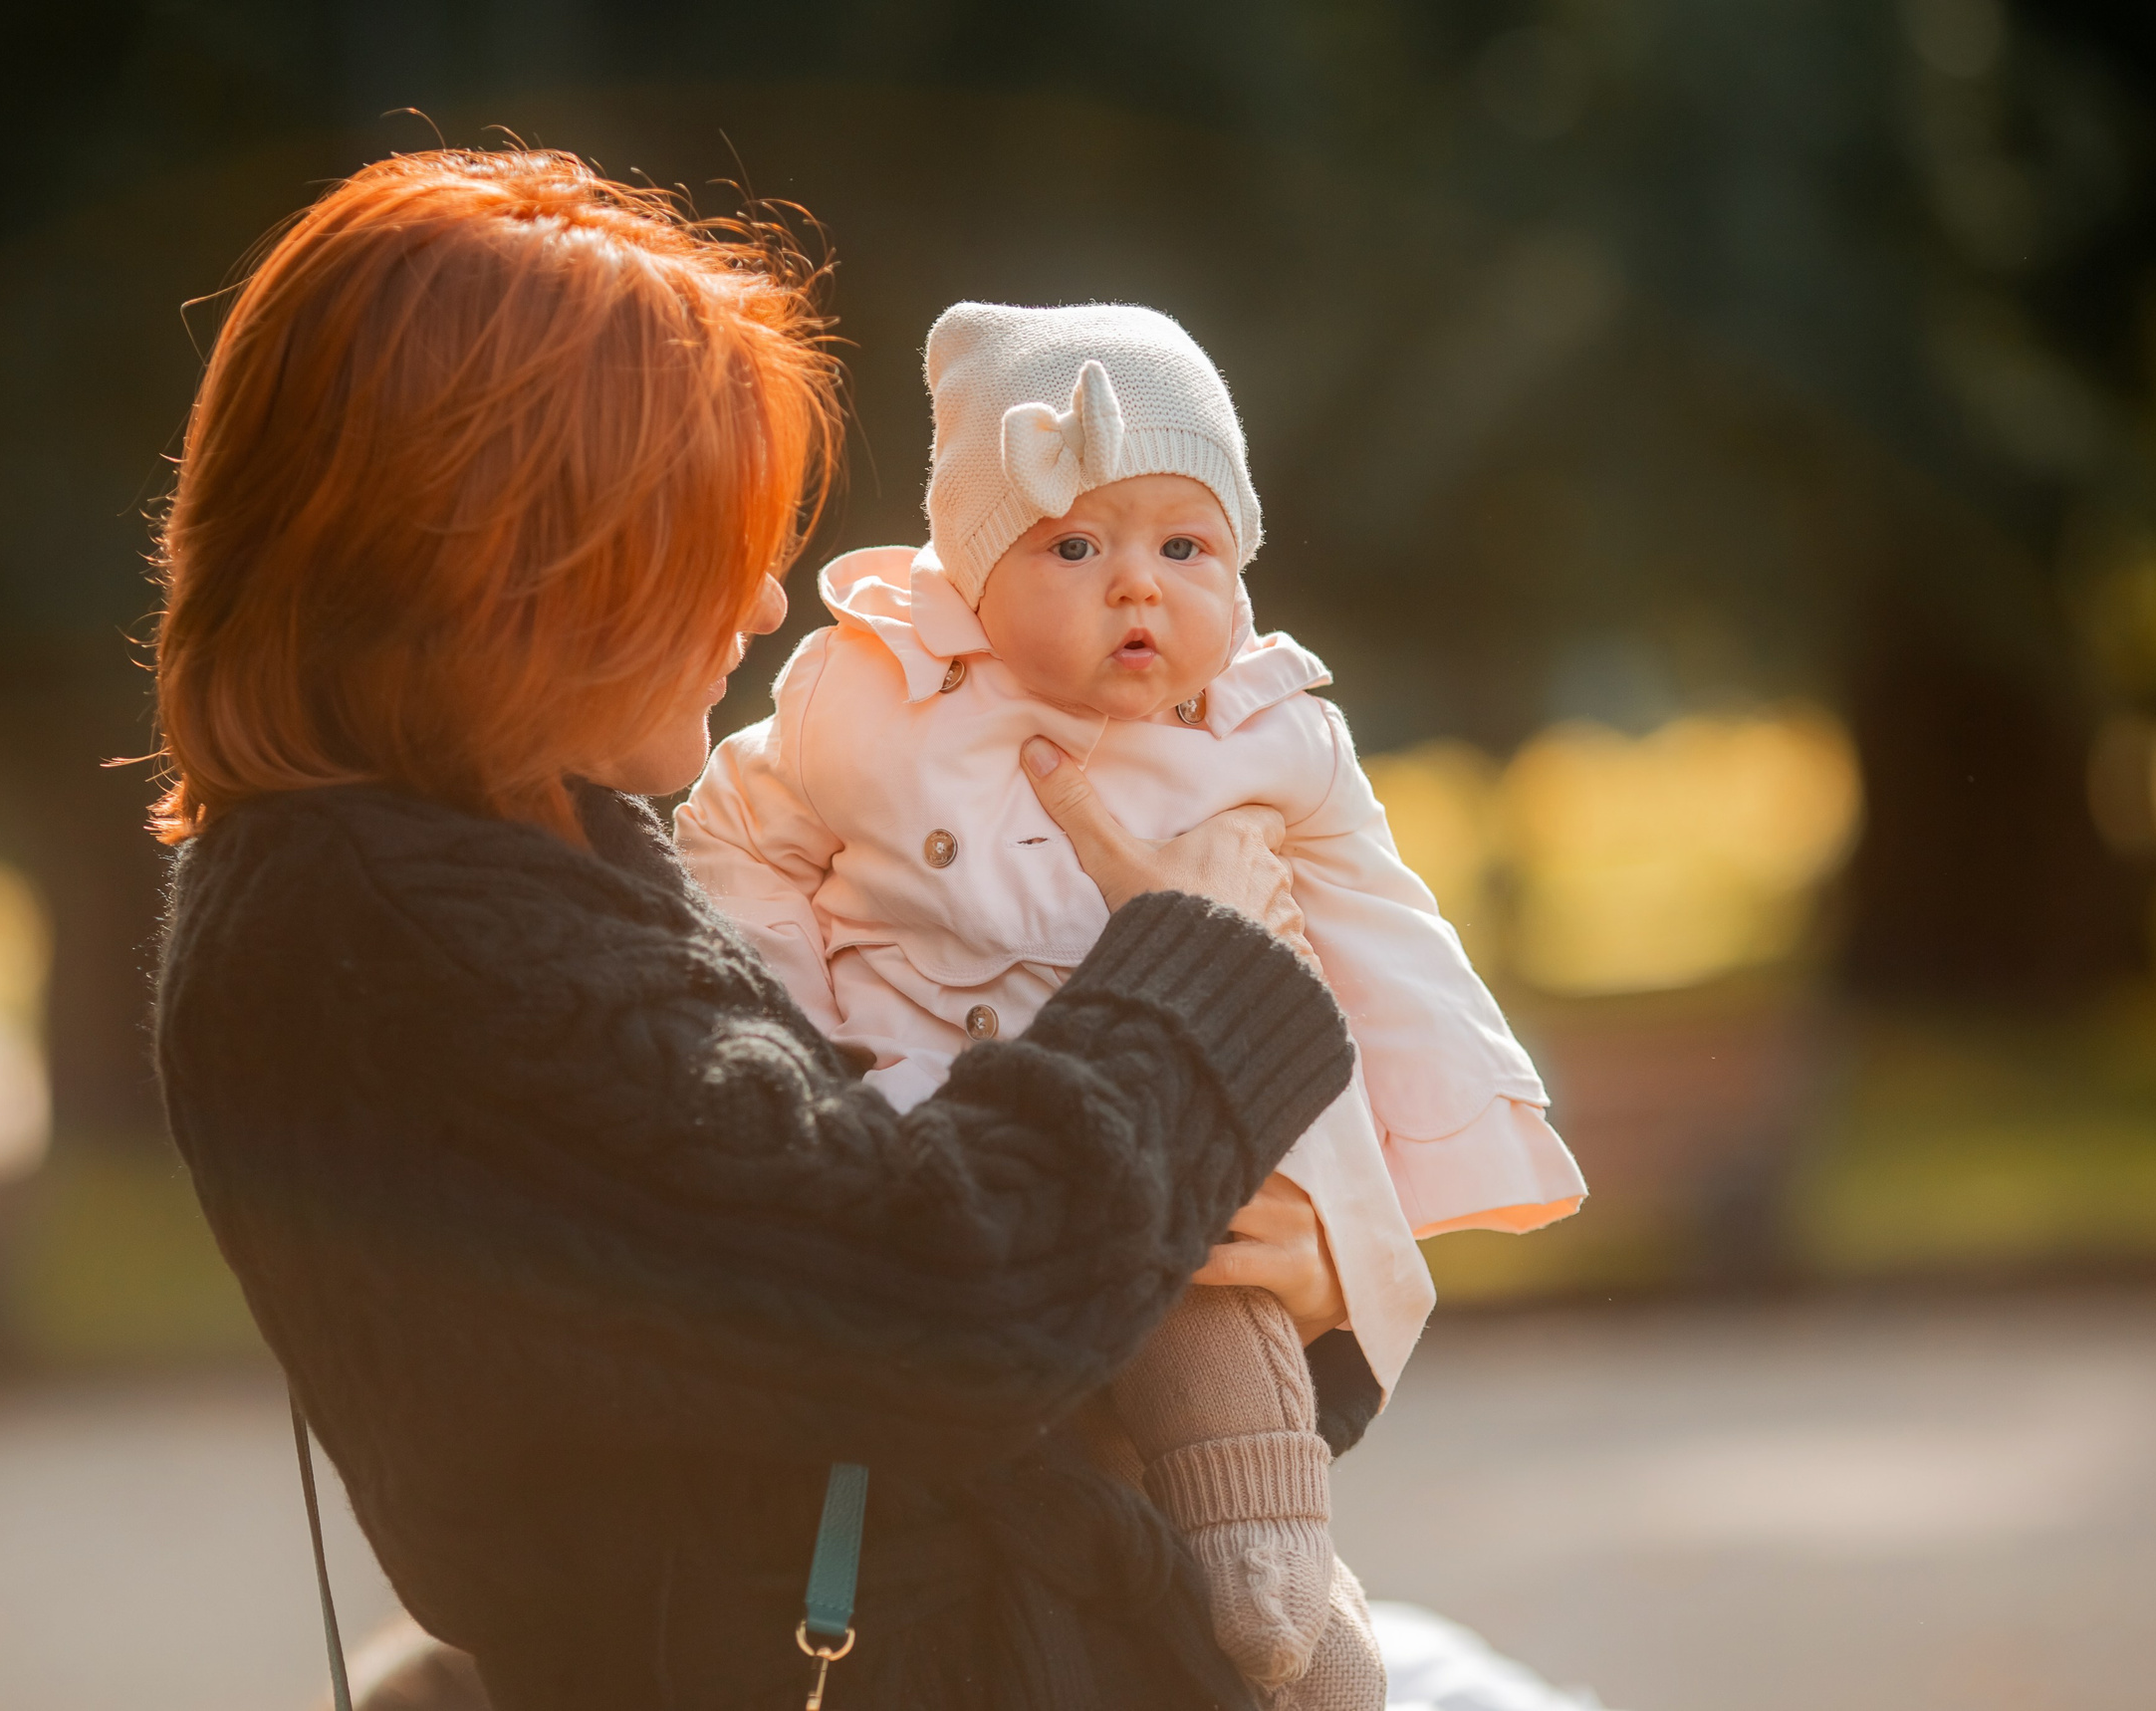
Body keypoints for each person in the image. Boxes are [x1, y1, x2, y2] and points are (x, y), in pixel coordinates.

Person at [149, 150, 1363, 1711]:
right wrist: (1197, 966)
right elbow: (940, 1294)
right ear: (520, 565)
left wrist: (1274, 1276)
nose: (772, 602)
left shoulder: (469, 866)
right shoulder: (404, 943)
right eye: (708, 541)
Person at [676, 303, 1588, 1709]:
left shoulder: (1268, 736)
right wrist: (804, 1026)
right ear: (968, 576)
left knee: (1212, 1311)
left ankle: (1286, 1594)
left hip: (1181, 1155)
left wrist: (1439, 1157)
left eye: (1185, 548)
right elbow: (742, 836)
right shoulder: (862, 694)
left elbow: (1385, 933)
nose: (1138, 591)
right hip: (934, 1105)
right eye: (1076, 547)